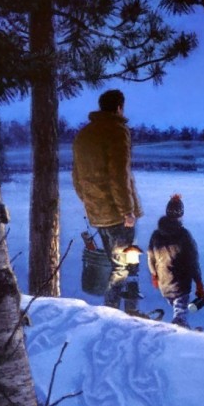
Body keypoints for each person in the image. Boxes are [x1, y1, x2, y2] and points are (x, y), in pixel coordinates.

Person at [71, 88, 143, 312]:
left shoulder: (84, 134)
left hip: (98, 211)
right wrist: (127, 210)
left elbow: (76, 175)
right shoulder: (117, 131)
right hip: (116, 211)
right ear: (120, 107)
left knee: (118, 262)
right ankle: (118, 312)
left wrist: (89, 202)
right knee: (125, 263)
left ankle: (126, 309)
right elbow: (118, 175)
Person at [146, 194, 204, 326]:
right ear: (181, 214)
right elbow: (193, 261)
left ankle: (179, 322)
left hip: (163, 283)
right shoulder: (184, 236)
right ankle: (179, 332)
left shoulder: (156, 234)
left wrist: (154, 274)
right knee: (180, 311)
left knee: (177, 305)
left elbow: (151, 256)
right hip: (180, 284)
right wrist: (199, 282)